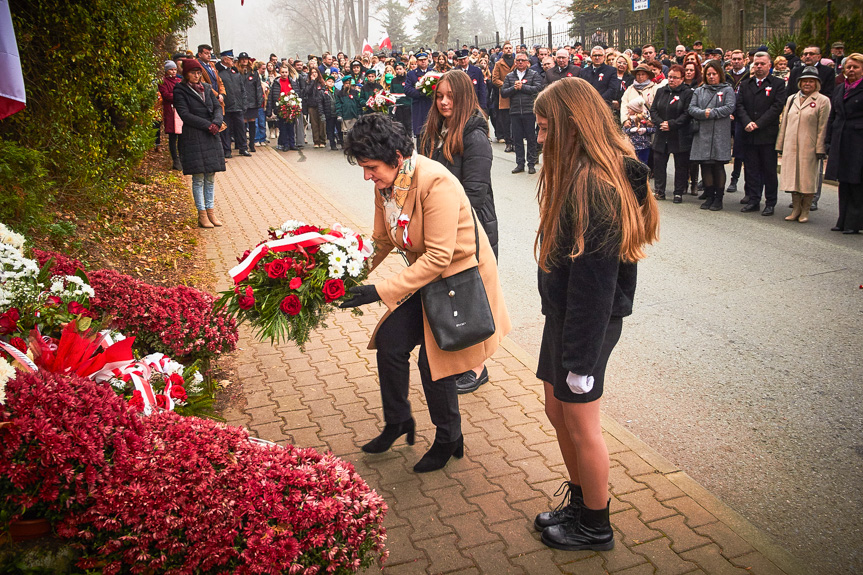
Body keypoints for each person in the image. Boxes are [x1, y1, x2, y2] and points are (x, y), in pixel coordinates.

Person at [339, 113, 511, 472]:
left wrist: (377, 291)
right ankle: (398, 421)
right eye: (363, 167)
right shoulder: (386, 184)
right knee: (390, 342)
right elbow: (382, 240)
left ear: (397, 157)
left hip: (458, 280)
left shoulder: (436, 182)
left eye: (371, 167)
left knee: (435, 363)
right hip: (427, 278)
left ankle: (449, 438)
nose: (367, 176)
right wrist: (346, 276)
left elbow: (438, 257)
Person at [531, 77, 659, 552]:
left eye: (546, 129)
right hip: (565, 315)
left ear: (570, 126)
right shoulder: (579, 172)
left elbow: (596, 286)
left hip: (587, 323)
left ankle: (595, 526)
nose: (540, 139)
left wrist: (581, 363)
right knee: (555, 410)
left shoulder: (596, 185)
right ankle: (581, 502)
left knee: (582, 424)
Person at [419, 70, 500, 394]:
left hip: (472, 228)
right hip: (442, 228)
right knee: (453, 296)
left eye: (450, 96)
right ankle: (461, 362)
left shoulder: (474, 134)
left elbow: (475, 192)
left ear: (465, 96)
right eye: (439, 96)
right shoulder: (433, 130)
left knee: (472, 298)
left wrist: (442, 220)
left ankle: (477, 368)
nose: (444, 102)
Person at [173, 59, 226, 229]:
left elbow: (218, 107)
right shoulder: (180, 90)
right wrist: (207, 125)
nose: (196, 76)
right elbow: (184, 114)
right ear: (186, 74)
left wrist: (217, 123)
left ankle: (211, 211)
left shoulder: (208, 88)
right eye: (193, 72)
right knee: (198, 177)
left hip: (211, 135)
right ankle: (201, 214)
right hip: (194, 135)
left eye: (198, 72)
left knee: (210, 176)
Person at [776, 66, 831, 223]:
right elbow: (784, 122)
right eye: (804, 81)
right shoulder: (791, 99)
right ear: (799, 83)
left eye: (811, 81)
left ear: (816, 84)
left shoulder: (823, 101)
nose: (807, 84)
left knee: (807, 179)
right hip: (791, 144)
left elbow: (823, 126)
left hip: (810, 147)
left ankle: (805, 210)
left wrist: (821, 148)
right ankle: (795, 209)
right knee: (793, 178)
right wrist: (780, 144)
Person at [736, 52, 787, 216]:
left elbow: (777, 107)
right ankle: (753, 200)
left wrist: (759, 123)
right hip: (749, 133)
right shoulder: (745, 84)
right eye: (756, 63)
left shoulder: (778, 84)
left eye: (762, 64)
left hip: (767, 134)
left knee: (769, 170)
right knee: (751, 169)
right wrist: (747, 122)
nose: (758, 66)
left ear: (769, 65)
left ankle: (770, 202)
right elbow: (739, 106)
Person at [688, 60, 736, 211]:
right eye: (708, 74)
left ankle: (718, 198)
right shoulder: (699, 90)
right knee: (705, 165)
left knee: (718, 165)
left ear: (719, 74)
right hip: (703, 133)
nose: (711, 77)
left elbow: (729, 107)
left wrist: (712, 112)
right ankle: (709, 195)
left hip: (720, 133)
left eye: (714, 74)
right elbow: (692, 108)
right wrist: (704, 113)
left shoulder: (727, 90)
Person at [825, 53, 863, 234]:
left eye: (855, 67)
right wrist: (828, 140)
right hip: (841, 140)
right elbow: (833, 116)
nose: (851, 70)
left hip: (858, 141)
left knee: (856, 182)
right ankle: (842, 219)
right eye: (848, 67)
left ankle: (854, 223)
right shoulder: (840, 88)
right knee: (844, 182)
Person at [650, 65, 693, 202]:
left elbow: (687, 113)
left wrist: (672, 124)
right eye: (670, 77)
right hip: (662, 133)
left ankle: (678, 192)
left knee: (680, 165)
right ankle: (659, 191)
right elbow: (653, 110)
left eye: (675, 78)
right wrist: (660, 122)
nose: (672, 80)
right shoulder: (661, 91)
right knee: (659, 163)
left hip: (679, 133)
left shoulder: (687, 93)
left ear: (682, 78)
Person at [501, 53, 544, 174]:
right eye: (518, 60)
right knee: (517, 139)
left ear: (527, 62)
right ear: (515, 62)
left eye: (523, 60)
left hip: (529, 111)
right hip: (514, 111)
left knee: (531, 138)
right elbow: (503, 92)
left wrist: (523, 87)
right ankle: (520, 163)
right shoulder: (510, 76)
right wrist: (514, 88)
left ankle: (531, 163)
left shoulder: (533, 74)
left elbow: (538, 89)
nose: (520, 62)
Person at [158, 60, 183, 171]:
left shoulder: (179, 80)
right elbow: (167, 95)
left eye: (174, 69)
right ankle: (175, 160)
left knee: (182, 136)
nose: (173, 72)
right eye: (171, 70)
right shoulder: (163, 82)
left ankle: (182, 158)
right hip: (171, 111)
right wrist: (179, 95)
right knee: (173, 136)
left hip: (181, 110)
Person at [491, 42, 516, 152]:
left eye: (510, 48)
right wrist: (506, 85)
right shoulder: (499, 64)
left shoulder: (517, 62)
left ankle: (515, 141)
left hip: (517, 94)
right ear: (503, 50)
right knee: (506, 120)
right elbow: (495, 79)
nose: (509, 50)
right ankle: (508, 142)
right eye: (506, 48)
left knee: (515, 120)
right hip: (504, 95)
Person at [237, 52, 263, 153]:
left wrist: (259, 100)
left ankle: (252, 144)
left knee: (252, 122)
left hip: (252, 101)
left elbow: (258, 87)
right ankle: (242, 145)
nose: (244, 60)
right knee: (242, 123)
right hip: (241, 101)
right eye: (242, 59)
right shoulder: (237, 71)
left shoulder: (253, 72)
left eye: (246, 59)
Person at [268, 64, 298, 151]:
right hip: (281, 108)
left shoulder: (292, 82)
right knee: (283, 127)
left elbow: (297, 93)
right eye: (283, 72)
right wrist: (270, 110)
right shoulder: (276, 83)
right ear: (280, 73)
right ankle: (285, 144)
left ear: (288, 73)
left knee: (291, 127)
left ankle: (292, 143)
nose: (284, 74)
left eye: (286, 72)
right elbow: (271, 96)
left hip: (291, 108)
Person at [404, 52, 435, 137]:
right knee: (420, 133)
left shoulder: (433, 72)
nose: (423, 62)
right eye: (421, 60)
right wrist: (422, 92)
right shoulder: (411, 74)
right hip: (419, 105)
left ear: (428, 60)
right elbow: (407, 89)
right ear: (417, 62)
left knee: (433, 132)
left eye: (425, 60)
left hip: (431, 104)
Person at [304, 67, 328, 148]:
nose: (314, 74)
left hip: (321, 105)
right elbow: (307, 92)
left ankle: (322, 140)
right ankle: (316, 141)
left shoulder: (322, 83)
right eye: (312, 72)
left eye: (315, 72)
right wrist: (312, 81)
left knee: (322, 123)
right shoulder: (308, 83)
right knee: (314, 124)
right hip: (312, 105)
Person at [389, 62, 413, 137]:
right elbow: (392, 93)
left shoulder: (408, 79)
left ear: (404, 69)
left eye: (400, 69)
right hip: (398, 106)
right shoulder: (394, 80)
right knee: (399, 125)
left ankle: (409, 139)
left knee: (408, 124)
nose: (398, 71)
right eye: (397, 69)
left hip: (407, 105)